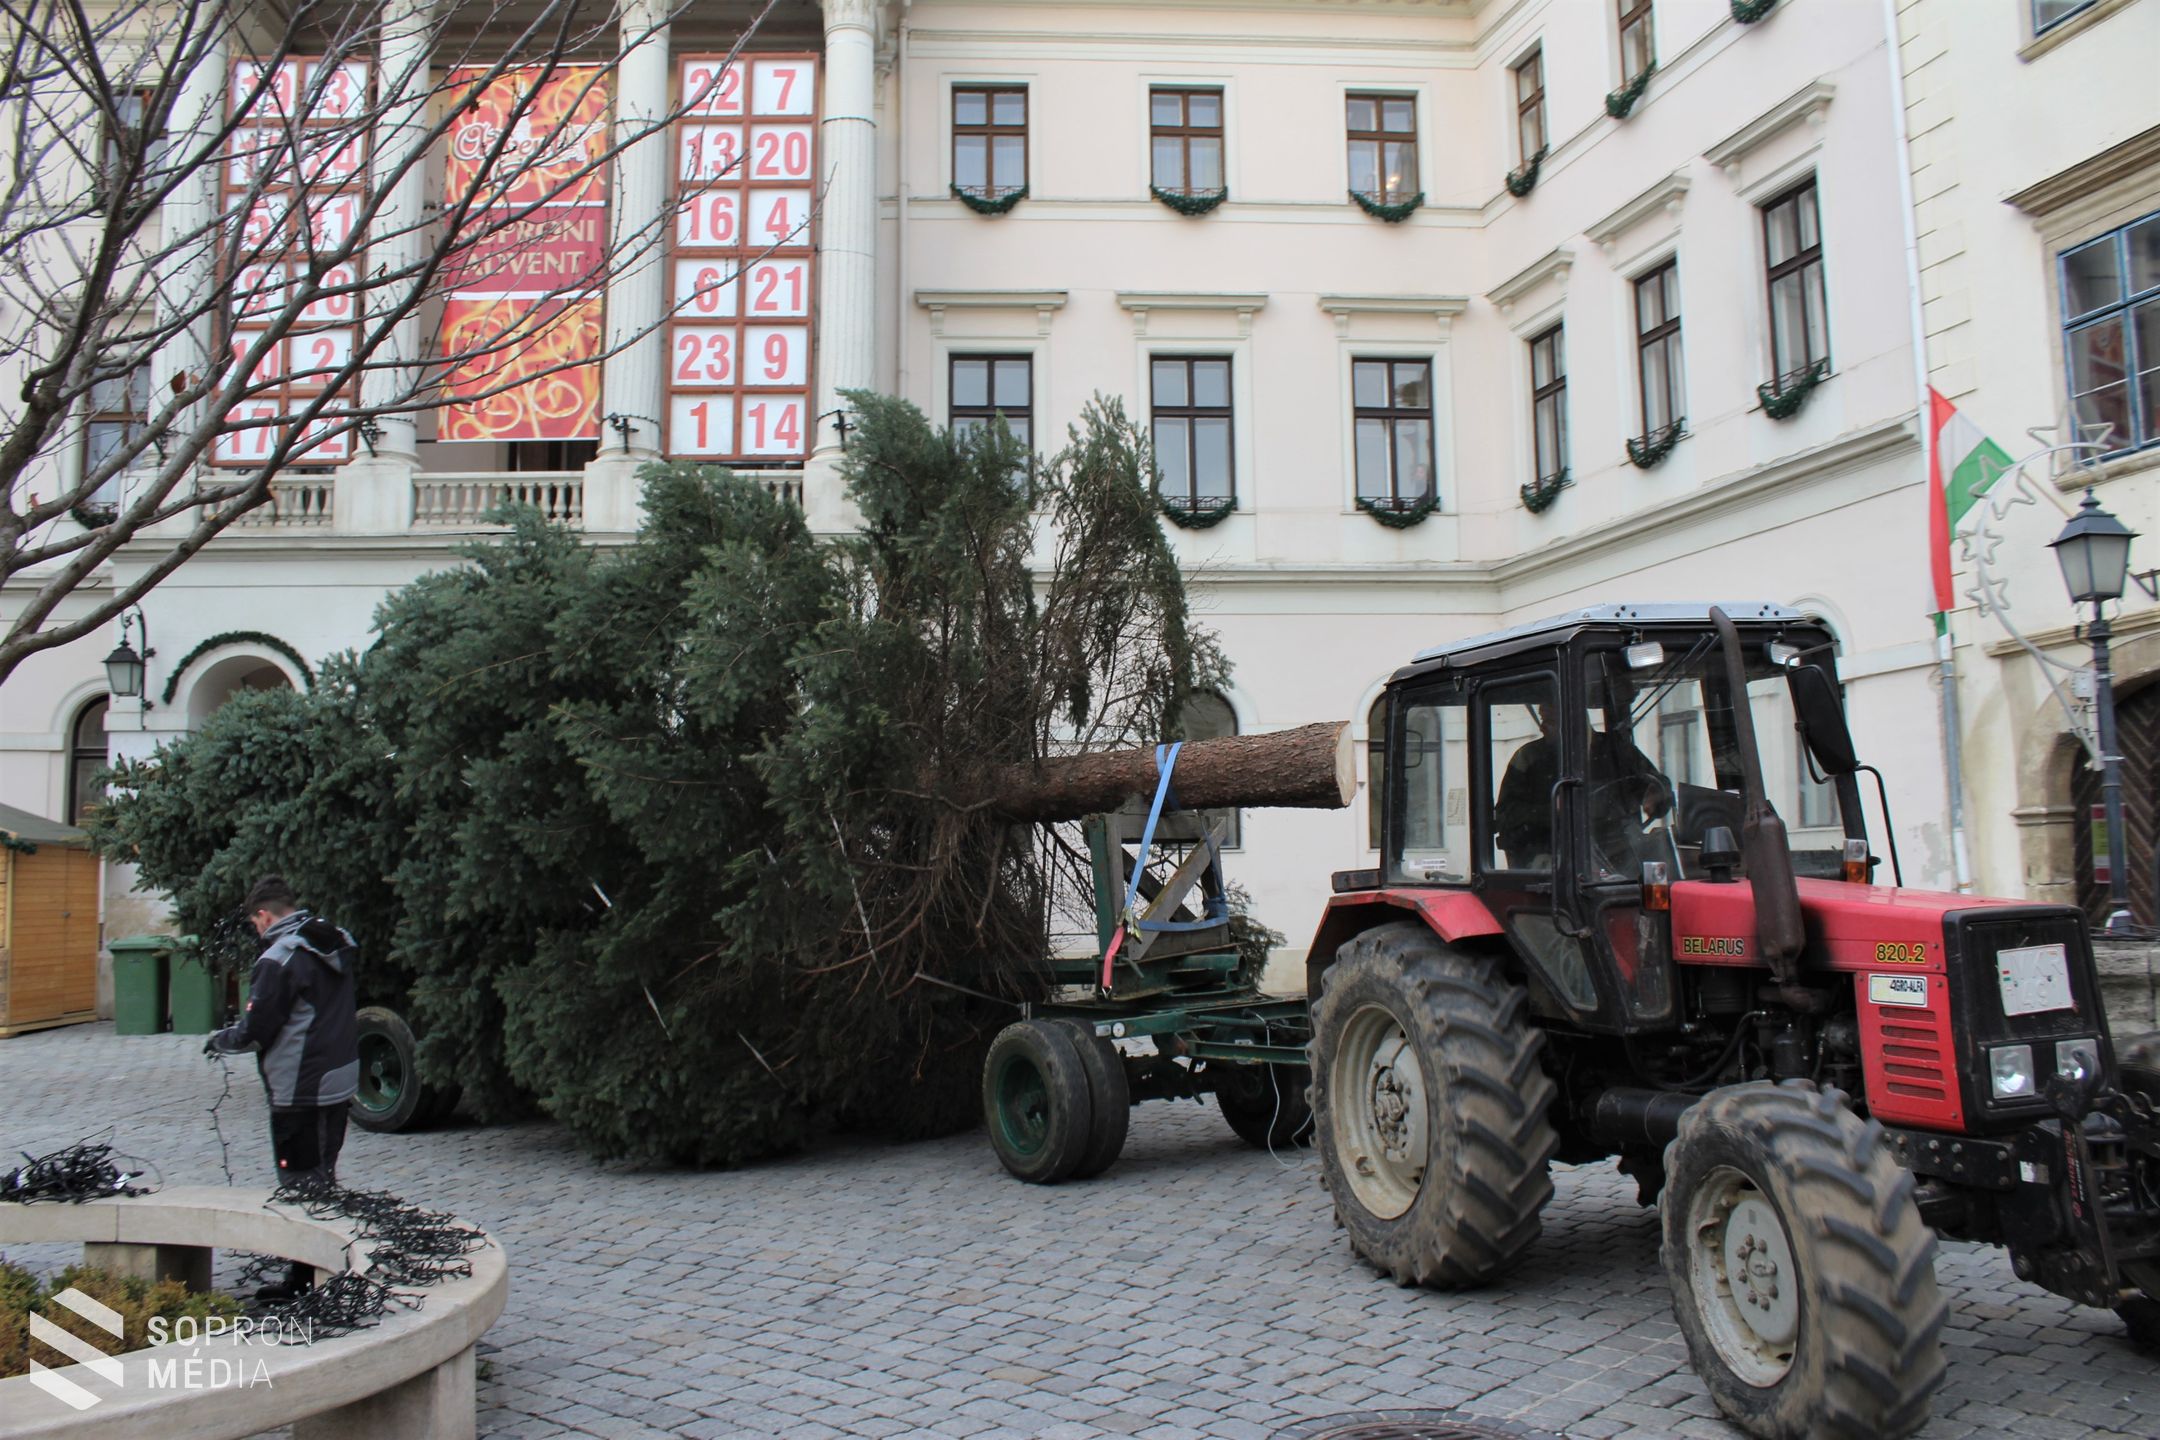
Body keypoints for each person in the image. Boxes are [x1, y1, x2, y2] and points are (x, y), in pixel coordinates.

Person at [206, 875, 361, 1193]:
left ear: (264, 916)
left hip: (300, 1090)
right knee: (324, 1177)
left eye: (255, 923)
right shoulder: (336, 940)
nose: (257, 931)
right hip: (340, 1078)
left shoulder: (279, 959)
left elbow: (255, 1031)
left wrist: (219, 1040)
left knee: (302, 1188)